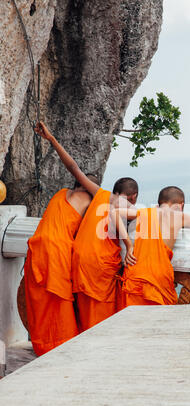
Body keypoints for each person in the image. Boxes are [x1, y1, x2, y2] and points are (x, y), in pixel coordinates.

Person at [34, 122, 137, 334]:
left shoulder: (87, 198)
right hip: (95, 266)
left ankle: (57, 343)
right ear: (132, 197)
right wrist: (129, 243)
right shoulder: (109, 199)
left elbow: (73, 167)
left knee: (74, 313)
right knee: (101, 322)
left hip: (75, 261)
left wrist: (52, 139)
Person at [24, 169, 97, 356]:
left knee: (40, 300)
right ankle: (60, 343)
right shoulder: (89, 200)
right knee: (58, 300)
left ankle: (42, 344)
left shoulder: (60, 194)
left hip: (37, 246)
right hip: (57, 249)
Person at [119, 186, 190, 307]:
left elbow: (114, 213)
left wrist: (128, 245)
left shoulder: (144, 212)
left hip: (136, 274)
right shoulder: (179, 217)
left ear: (159, 203)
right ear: (181, 205)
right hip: (159, 276)